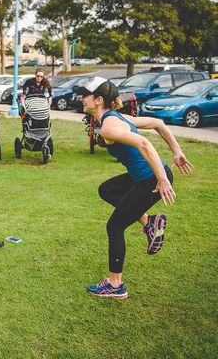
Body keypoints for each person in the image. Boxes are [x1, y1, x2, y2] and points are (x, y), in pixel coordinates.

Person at [77, 76, 192, 299]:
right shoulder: (115, 117)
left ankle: (115, 285)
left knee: (114, 226)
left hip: (151, 179)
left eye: (85, 95)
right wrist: (176, 152)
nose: (82, 99)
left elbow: (144, 143)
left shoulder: (109, 127)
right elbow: (158, 124)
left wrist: (163, 178)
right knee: (107, 190)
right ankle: (150, 223)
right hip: (145, 177)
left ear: (98, 100)